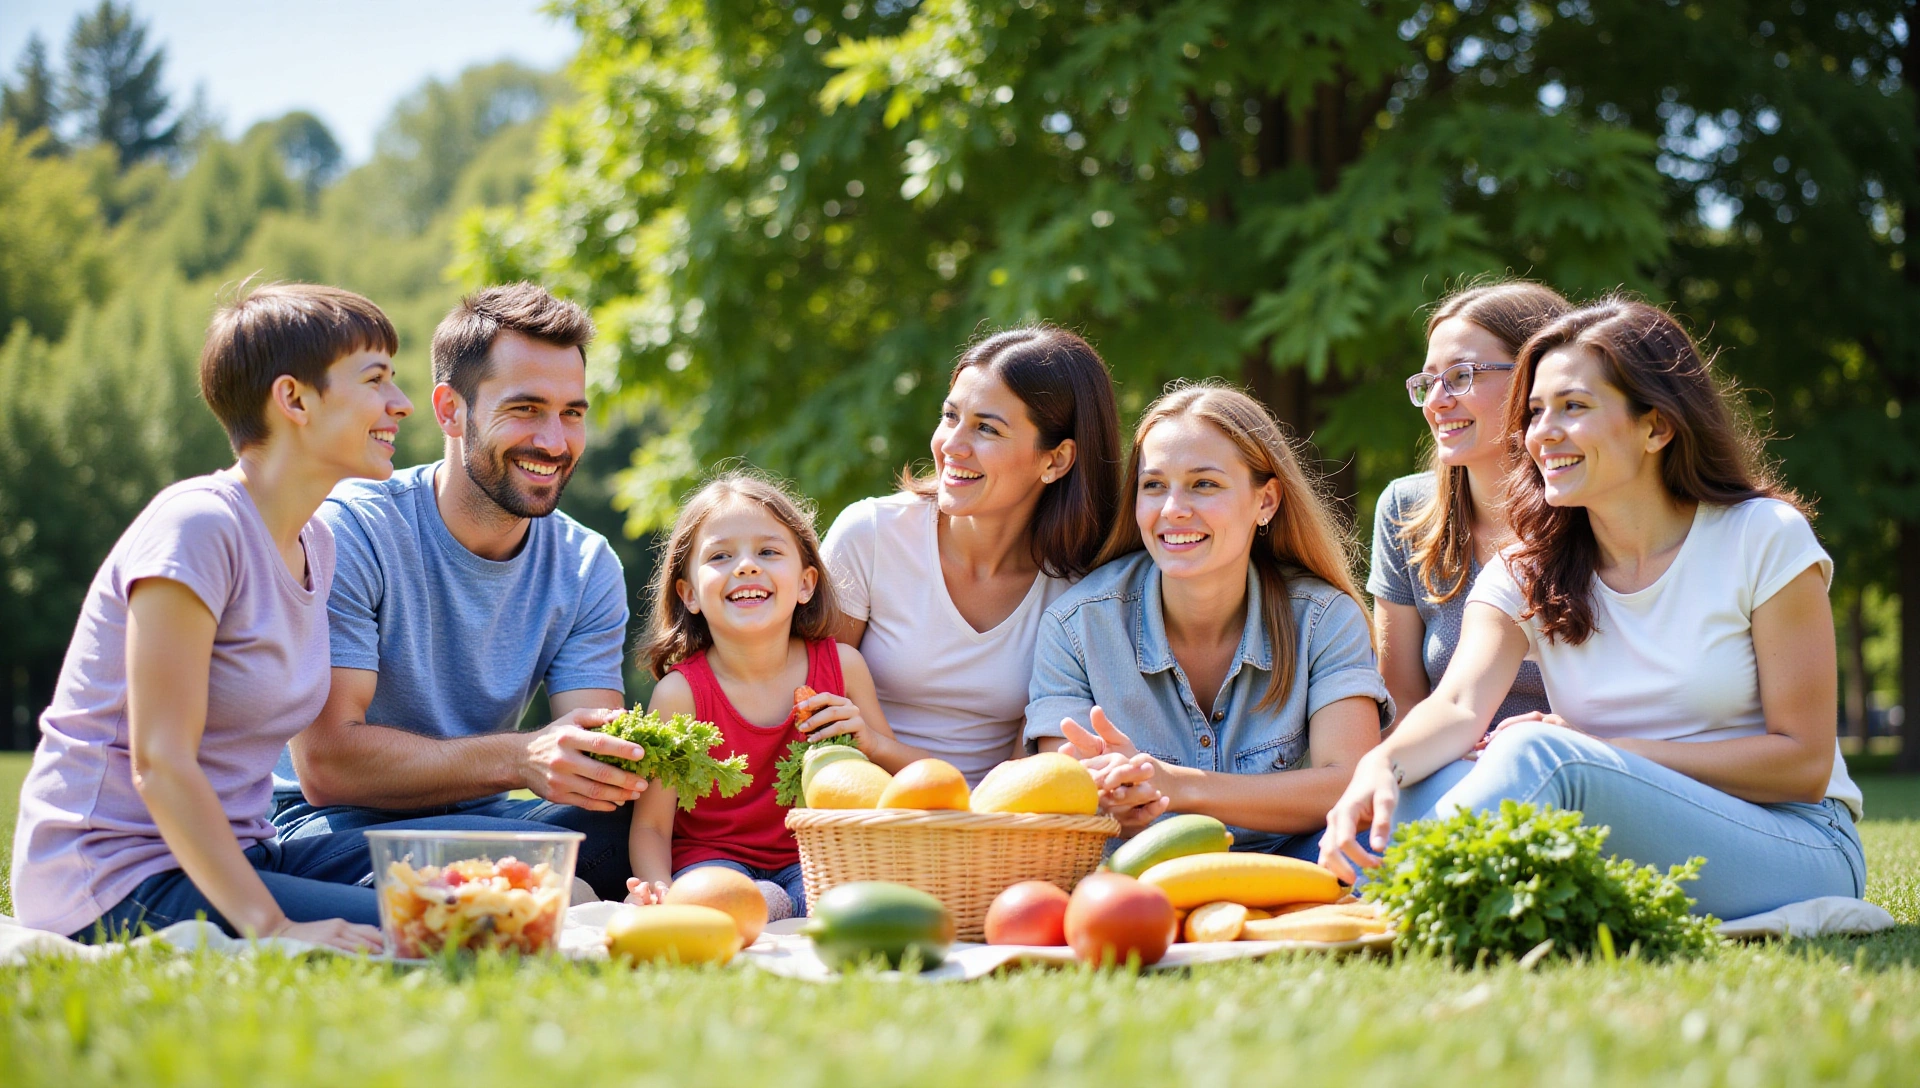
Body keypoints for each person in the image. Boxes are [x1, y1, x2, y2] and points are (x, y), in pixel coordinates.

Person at [1320, 299, 1865, 920]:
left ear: (1656, 427)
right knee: (1423, 776)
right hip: (1623, 821)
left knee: (1536, 755)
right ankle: (1362, 893)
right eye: (1534, 411)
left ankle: (1385, 905)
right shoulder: (1526, 570)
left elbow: (1802, 765)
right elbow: (1458, 706)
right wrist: (1381, 765)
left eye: (1573, 407)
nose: (1542, 434)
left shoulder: (1762, 536)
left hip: (1793, 840)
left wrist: (1602, 751)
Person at [11, 284, 414, 949]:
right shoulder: (197, 526)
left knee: (488, 887)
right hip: (116, 876)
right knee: (455, 928)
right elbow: (160, 761)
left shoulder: (315, 543)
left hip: (245, 855)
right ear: (294, 399)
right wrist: (276, 927)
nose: (400, 403)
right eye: (376, 380)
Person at [272, 283, 641, 901]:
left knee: (634, 826)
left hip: (484, 820)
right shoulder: (352, 529)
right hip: (333, 827)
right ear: (450, 410)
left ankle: (516, 891)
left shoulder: (586, 564)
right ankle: (517, 894)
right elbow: (328, 764)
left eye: (572, 413)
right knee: (540, 868)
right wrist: (521, 758)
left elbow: (590, 764)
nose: (554, 442)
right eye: (526, 409)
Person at [1026, 384, 1392, 858]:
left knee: (1374, 849)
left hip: (1295, 868)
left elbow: (1352, 786)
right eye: (1154, 485)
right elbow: (1064, 798)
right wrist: (1110, 803)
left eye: (1204, 484)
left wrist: (1178, 785)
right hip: (1135, 874)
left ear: (1266, 501)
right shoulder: (1076, 626)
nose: (1173, 509)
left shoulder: (1323, 618)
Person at [822, 326, 1123, 785]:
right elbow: (811, 691)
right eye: (950, 416)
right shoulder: (871, 536)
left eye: (986, 428)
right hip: (863, 806)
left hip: (996, 818)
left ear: (1056, 460)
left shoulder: (1081, 589)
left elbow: (1034, 770)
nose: (951, 446)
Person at [622, 471, 897, 918]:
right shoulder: (680, 694)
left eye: (768, 551)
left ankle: (775, 911)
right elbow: (652, 826)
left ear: (806, 583)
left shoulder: (843, 668)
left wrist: (871, 741)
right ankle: (763, 909)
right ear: (689, 594)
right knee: (725, 900)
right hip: (711, 861)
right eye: (721, 555)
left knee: (840, 904)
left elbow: (898, 781)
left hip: (810, 858)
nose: (747, 566)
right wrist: (660, 889)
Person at [1371, 282, 1569, 729]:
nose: (1436, 402)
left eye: (1461, 376)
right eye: (1429, 382)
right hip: (1441, 760)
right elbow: (1400, 701)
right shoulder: (1406, 511)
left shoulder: (1596, 512)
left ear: (1535, 378)